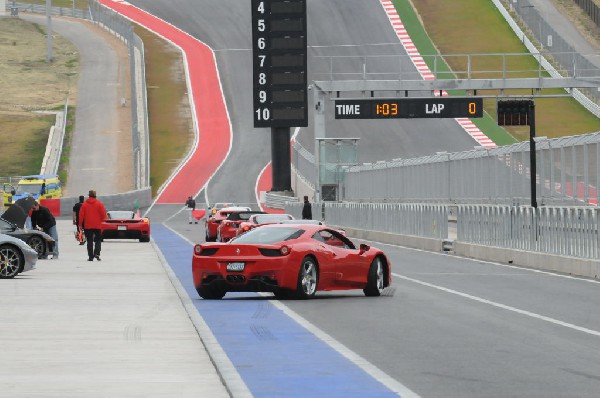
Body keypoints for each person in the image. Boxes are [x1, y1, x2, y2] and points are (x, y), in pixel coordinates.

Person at [78, 190, 107, 261]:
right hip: (97, 225)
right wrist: (102, 220)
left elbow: (81, 215)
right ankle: (97, 253)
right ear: (95, 195)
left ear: (89, 195)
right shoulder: (99, 204)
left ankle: (90, 257)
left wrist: (80, 225)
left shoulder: (84, 205)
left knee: (89, 241)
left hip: (88, 225)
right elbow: (104, 215)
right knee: (98, 240)